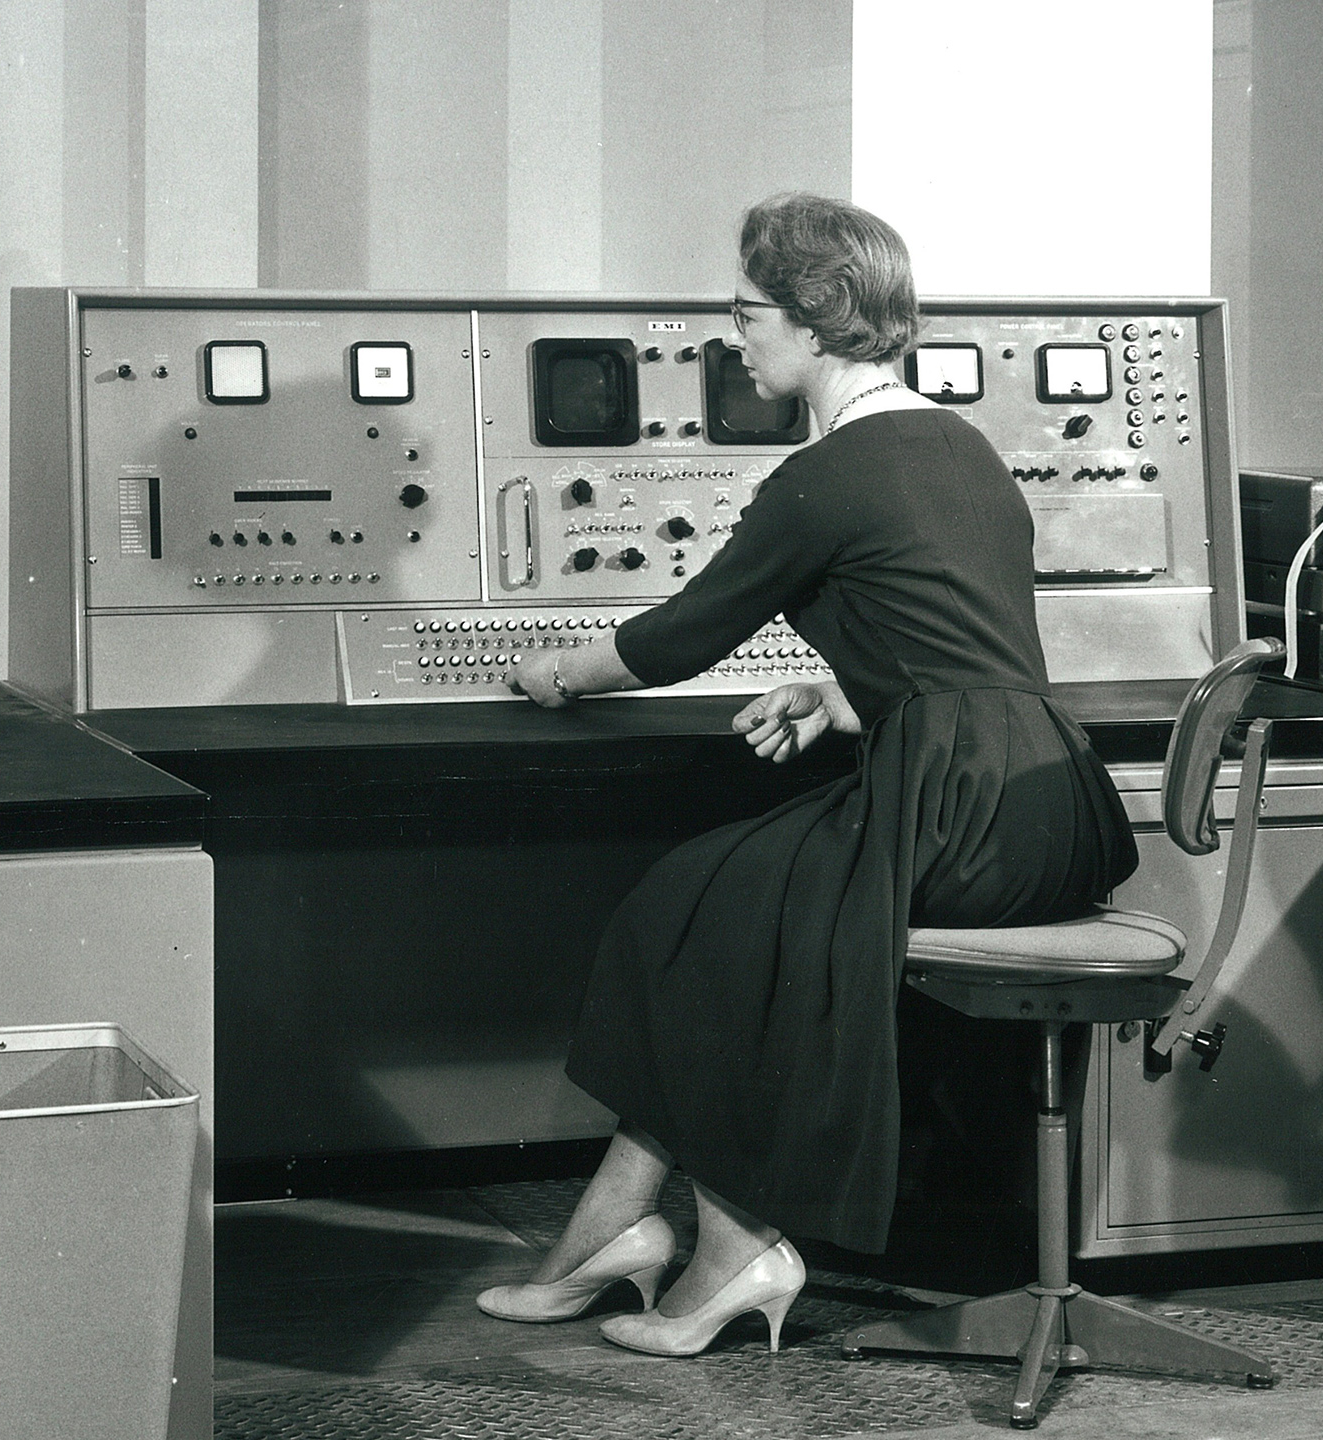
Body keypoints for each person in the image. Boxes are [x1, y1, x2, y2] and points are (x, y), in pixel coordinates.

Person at [481, 192, 1138, 1357]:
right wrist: (840, 695)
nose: (733, 340)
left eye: (748, 314)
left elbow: (682, 634)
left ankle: (728, 1248)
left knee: (691, 911)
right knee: (707, 906)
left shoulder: (822, 477)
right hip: (1052, 803)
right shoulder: (963, 446)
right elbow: (968, 643)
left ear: (818, 320)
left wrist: (551, 672)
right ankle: (615, 1234)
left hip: (957, 812)